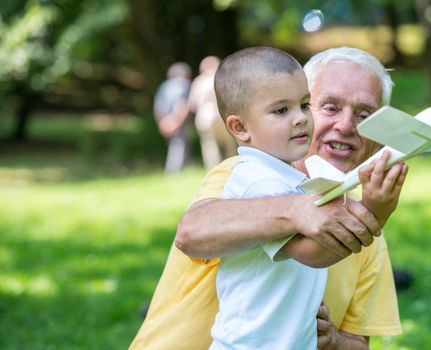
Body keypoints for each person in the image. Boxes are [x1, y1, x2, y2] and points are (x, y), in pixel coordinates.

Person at [130, 47, 408, 350]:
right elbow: (191, 232)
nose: (345, 125)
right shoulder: (247, 176)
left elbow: (359, 344)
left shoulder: (361, 225)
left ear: (378, 136)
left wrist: (334, 341)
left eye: (364, 115)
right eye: (329, 107)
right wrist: (297, 210)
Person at [187, 56, 237, 170]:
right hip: (224, 117)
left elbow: (192, 104)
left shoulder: (199, 81)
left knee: (210, 147)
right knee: (230, 146)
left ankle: (214, 171)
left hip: (205, 119)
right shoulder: (224, 78)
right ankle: (233, 169)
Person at [153, 62, 192, 174]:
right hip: (177, 120)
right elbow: (182, 104)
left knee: (174, 145)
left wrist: (162, 123)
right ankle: (174, 172)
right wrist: (177, 122)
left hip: (165, 120)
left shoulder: (164, 86)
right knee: (179, 145)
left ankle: (183, 168)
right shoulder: (183, 84)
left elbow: (158, 106)